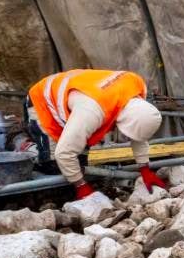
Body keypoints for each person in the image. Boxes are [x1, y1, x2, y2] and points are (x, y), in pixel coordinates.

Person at [28, 69, 167, 199]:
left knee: (80, 162)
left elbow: (138, 133)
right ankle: (25, 147)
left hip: (77, 94)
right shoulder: (92, 111)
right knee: (53, 166)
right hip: (43, 99)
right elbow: (63, 154)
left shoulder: (135, 86)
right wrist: (81, 186)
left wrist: (145, 168)